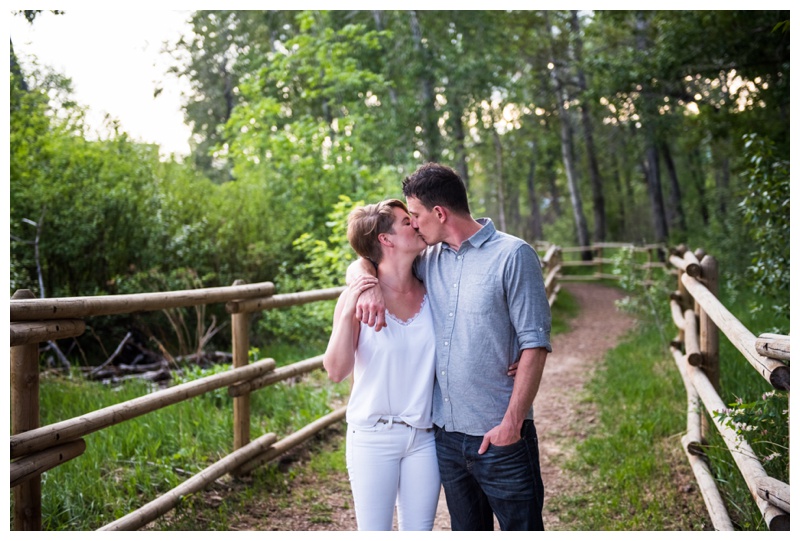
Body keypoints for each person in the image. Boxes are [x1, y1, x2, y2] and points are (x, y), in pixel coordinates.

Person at [348, 162, 552, 531]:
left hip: (501, 435)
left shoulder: (513, 255)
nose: (413, 223)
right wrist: (367, 284)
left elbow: (535, 344)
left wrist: (511, 424)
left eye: (416, 215)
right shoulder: (428, 260)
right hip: (446, 438)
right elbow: (369, 256)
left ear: (439, 213)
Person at [323, 198, 440, 531]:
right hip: (372, 436)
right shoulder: (356, 296)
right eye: (406, 222)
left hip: (424, 436)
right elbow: (335, 370)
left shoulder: (433, 289)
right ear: (385, 240)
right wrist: (349, 310)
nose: (416, 224)